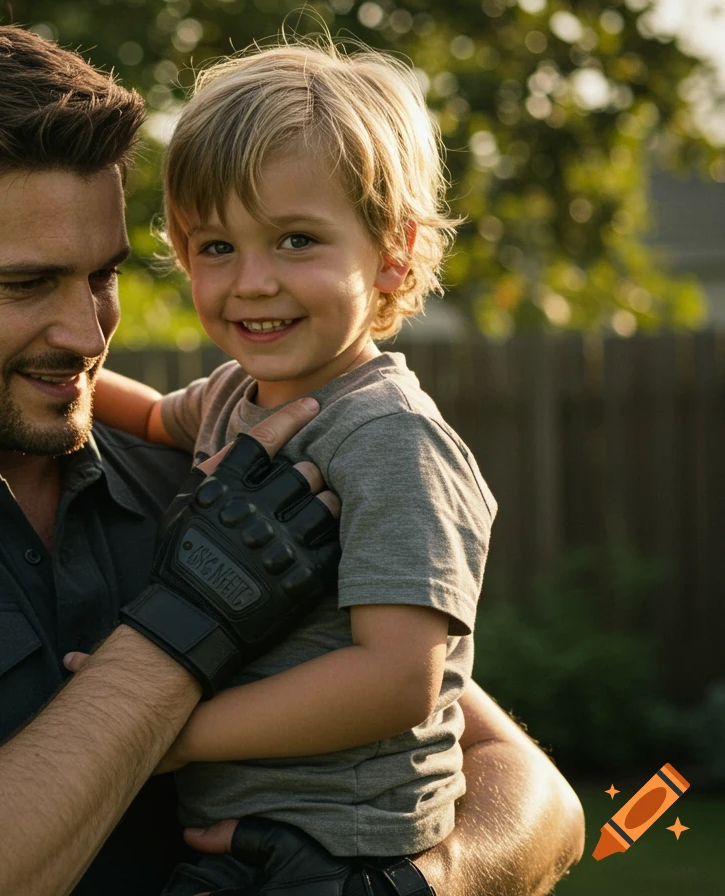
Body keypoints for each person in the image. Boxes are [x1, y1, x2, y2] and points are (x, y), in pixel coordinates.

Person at [0, 21, 585, 896]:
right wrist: (185, 628)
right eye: (28, 282)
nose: (88, 331)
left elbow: (525, 789)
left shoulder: (222, 476)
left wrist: (421, 883)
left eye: (105, 275)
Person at [87, 40, 497, 894]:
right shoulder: (242, 392)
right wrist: (50, 375)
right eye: (215, 248)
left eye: (295, 240)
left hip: (340, 851)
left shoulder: (387, 437)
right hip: (240, 838)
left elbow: (395, 680)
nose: (252, 282)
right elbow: (156, 416)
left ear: (393, 251)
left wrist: (170, 731)